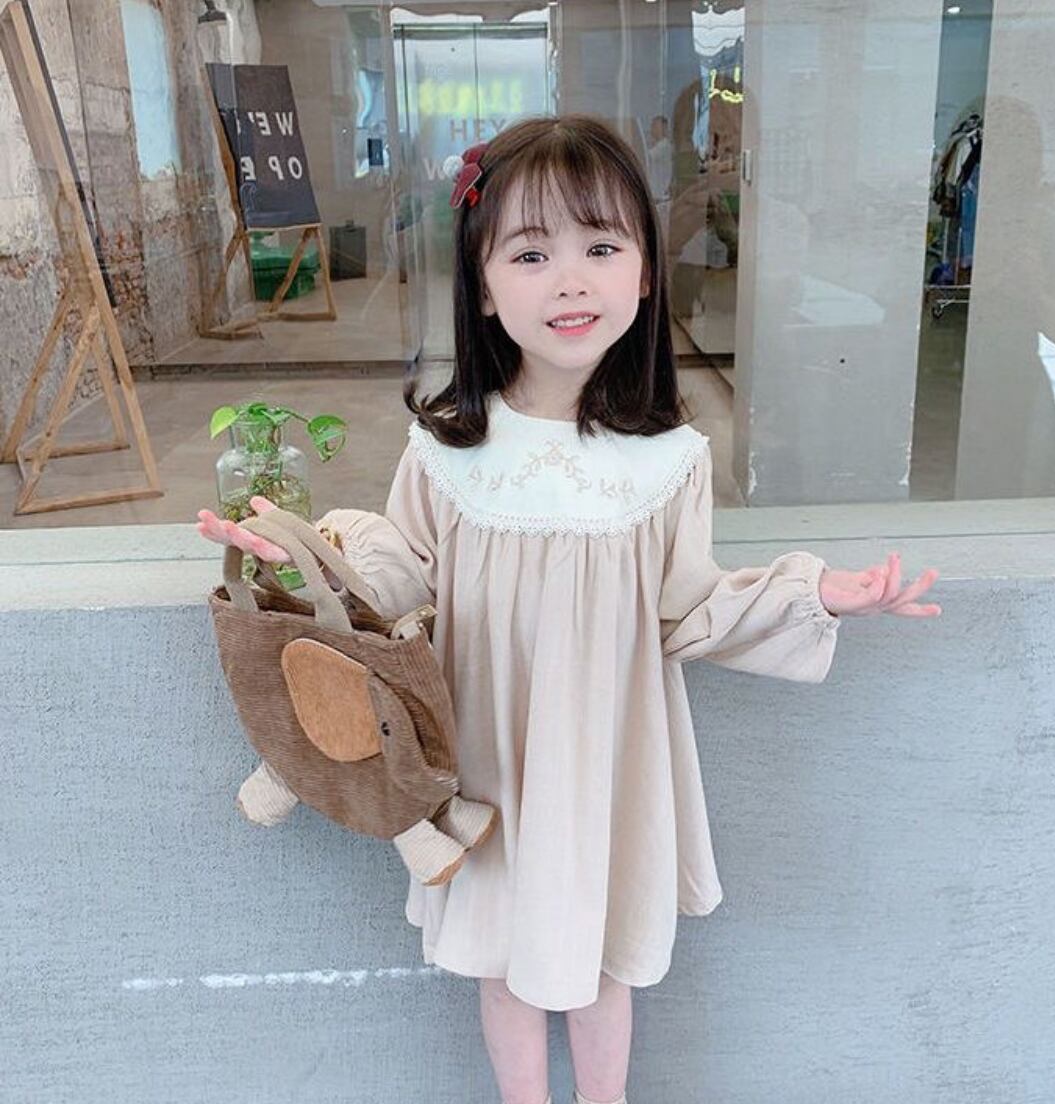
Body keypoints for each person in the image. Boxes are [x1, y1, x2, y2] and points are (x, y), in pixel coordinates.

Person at [197, 114, 941, 1104]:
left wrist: (813, 594)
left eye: (600, 247)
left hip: (606, 764)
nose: (570, 281)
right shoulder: (447, 455)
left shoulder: (670, 461)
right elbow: (397, 590)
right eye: (531, 253)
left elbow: (687, 608)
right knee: (504, 957)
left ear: (645, 272)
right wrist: (299, 557)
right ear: (484, 286)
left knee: (600, 958)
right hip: (490, 762)